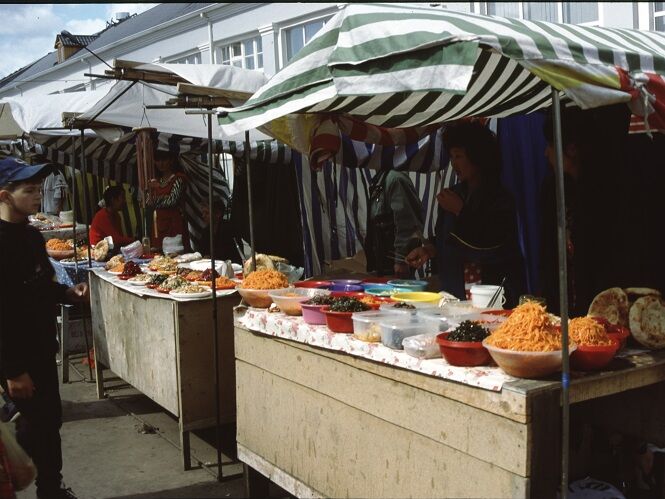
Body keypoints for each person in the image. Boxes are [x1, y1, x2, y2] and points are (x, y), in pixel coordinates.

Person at [0, 157, 88, 499]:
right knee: (27, 427)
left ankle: (51, 488)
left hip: (41, 348)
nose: (38, 196)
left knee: (49, 424)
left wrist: (68, 292)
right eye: (29, 190)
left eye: (38, 189)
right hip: (16, 357)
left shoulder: (33, 237)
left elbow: (40, 284)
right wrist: (13, 370)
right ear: (5, 196)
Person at [406, 121, 525, 307]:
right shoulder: (452, 195)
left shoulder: (500, 198)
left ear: (478, 159)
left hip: (492, 296)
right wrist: (429, 250)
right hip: (455, 293)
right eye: (452, 156)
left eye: (459, 156)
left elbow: (491, 244)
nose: (454, 163)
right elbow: (446, 240)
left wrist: (461, 210)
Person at [365, 169, 424, 278]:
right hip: (384, 265)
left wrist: (401, 260)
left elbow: (407, 223)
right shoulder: (381, 179)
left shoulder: (395, 179)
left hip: (395, 267)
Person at [146, 150, 188, 251]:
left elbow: (172, 201)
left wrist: (157, 190)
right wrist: (160, 196)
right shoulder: (156, 181)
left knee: (175, 254)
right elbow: (148, 202)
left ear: (171, 160)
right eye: (158, 160)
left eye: (164, 159)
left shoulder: (178, 179)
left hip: (174, 224)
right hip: (158, 225)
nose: (161, 163)